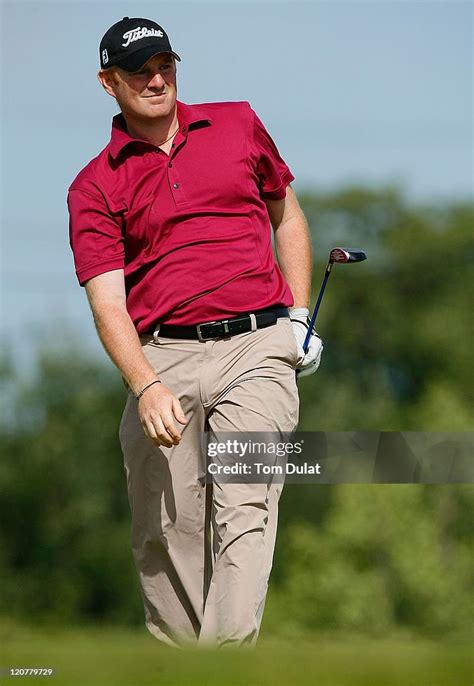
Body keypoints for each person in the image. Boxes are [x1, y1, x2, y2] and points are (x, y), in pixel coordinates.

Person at [67, 16, 322, 648]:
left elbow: (285, 216)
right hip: (162, 359)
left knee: (247, 508)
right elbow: (108, 305)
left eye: (165, 65)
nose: (157, 80)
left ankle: (223, 665)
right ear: (108, 83)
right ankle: (182, 669)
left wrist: (295, 318)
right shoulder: (93, 185)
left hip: (256, 346)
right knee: (165, 535)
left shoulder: (236, 123)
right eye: (138, 71)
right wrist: (145, 385)